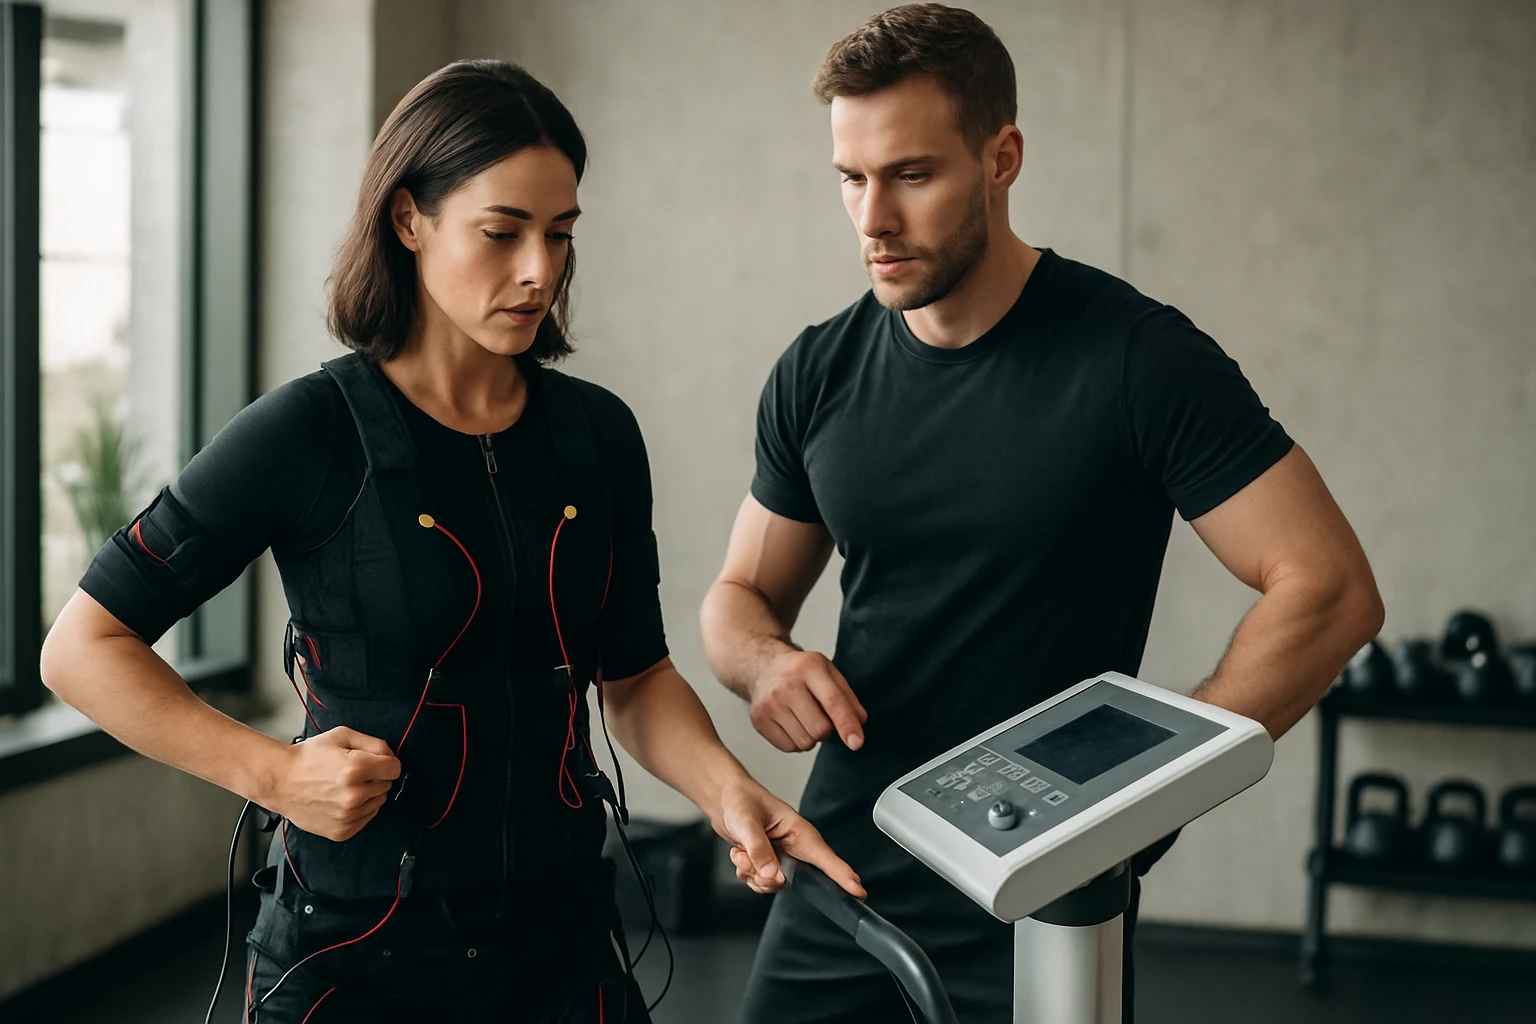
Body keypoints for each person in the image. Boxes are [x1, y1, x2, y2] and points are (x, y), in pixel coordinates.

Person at [40, 59, 863, 1024]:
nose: (539, 270)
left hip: (560, 948)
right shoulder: (308, 433)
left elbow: (634, 680)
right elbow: (79, 648)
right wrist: (273, 775)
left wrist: (734, 794)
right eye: (502, 232)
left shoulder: (596, 437)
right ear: (408, 220)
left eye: (559, 235)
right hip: (354, 957)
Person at [699, 6, 1385, 1023]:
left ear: (1002, 157)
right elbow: (739, 597)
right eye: (852, 177)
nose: (872, 217)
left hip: (1038, 906)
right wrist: (767, 663)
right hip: (840, 878)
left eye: (912, 174)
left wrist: (1141, 800)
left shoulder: (1137, 360)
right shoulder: (818, 371)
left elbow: (1330, 592)